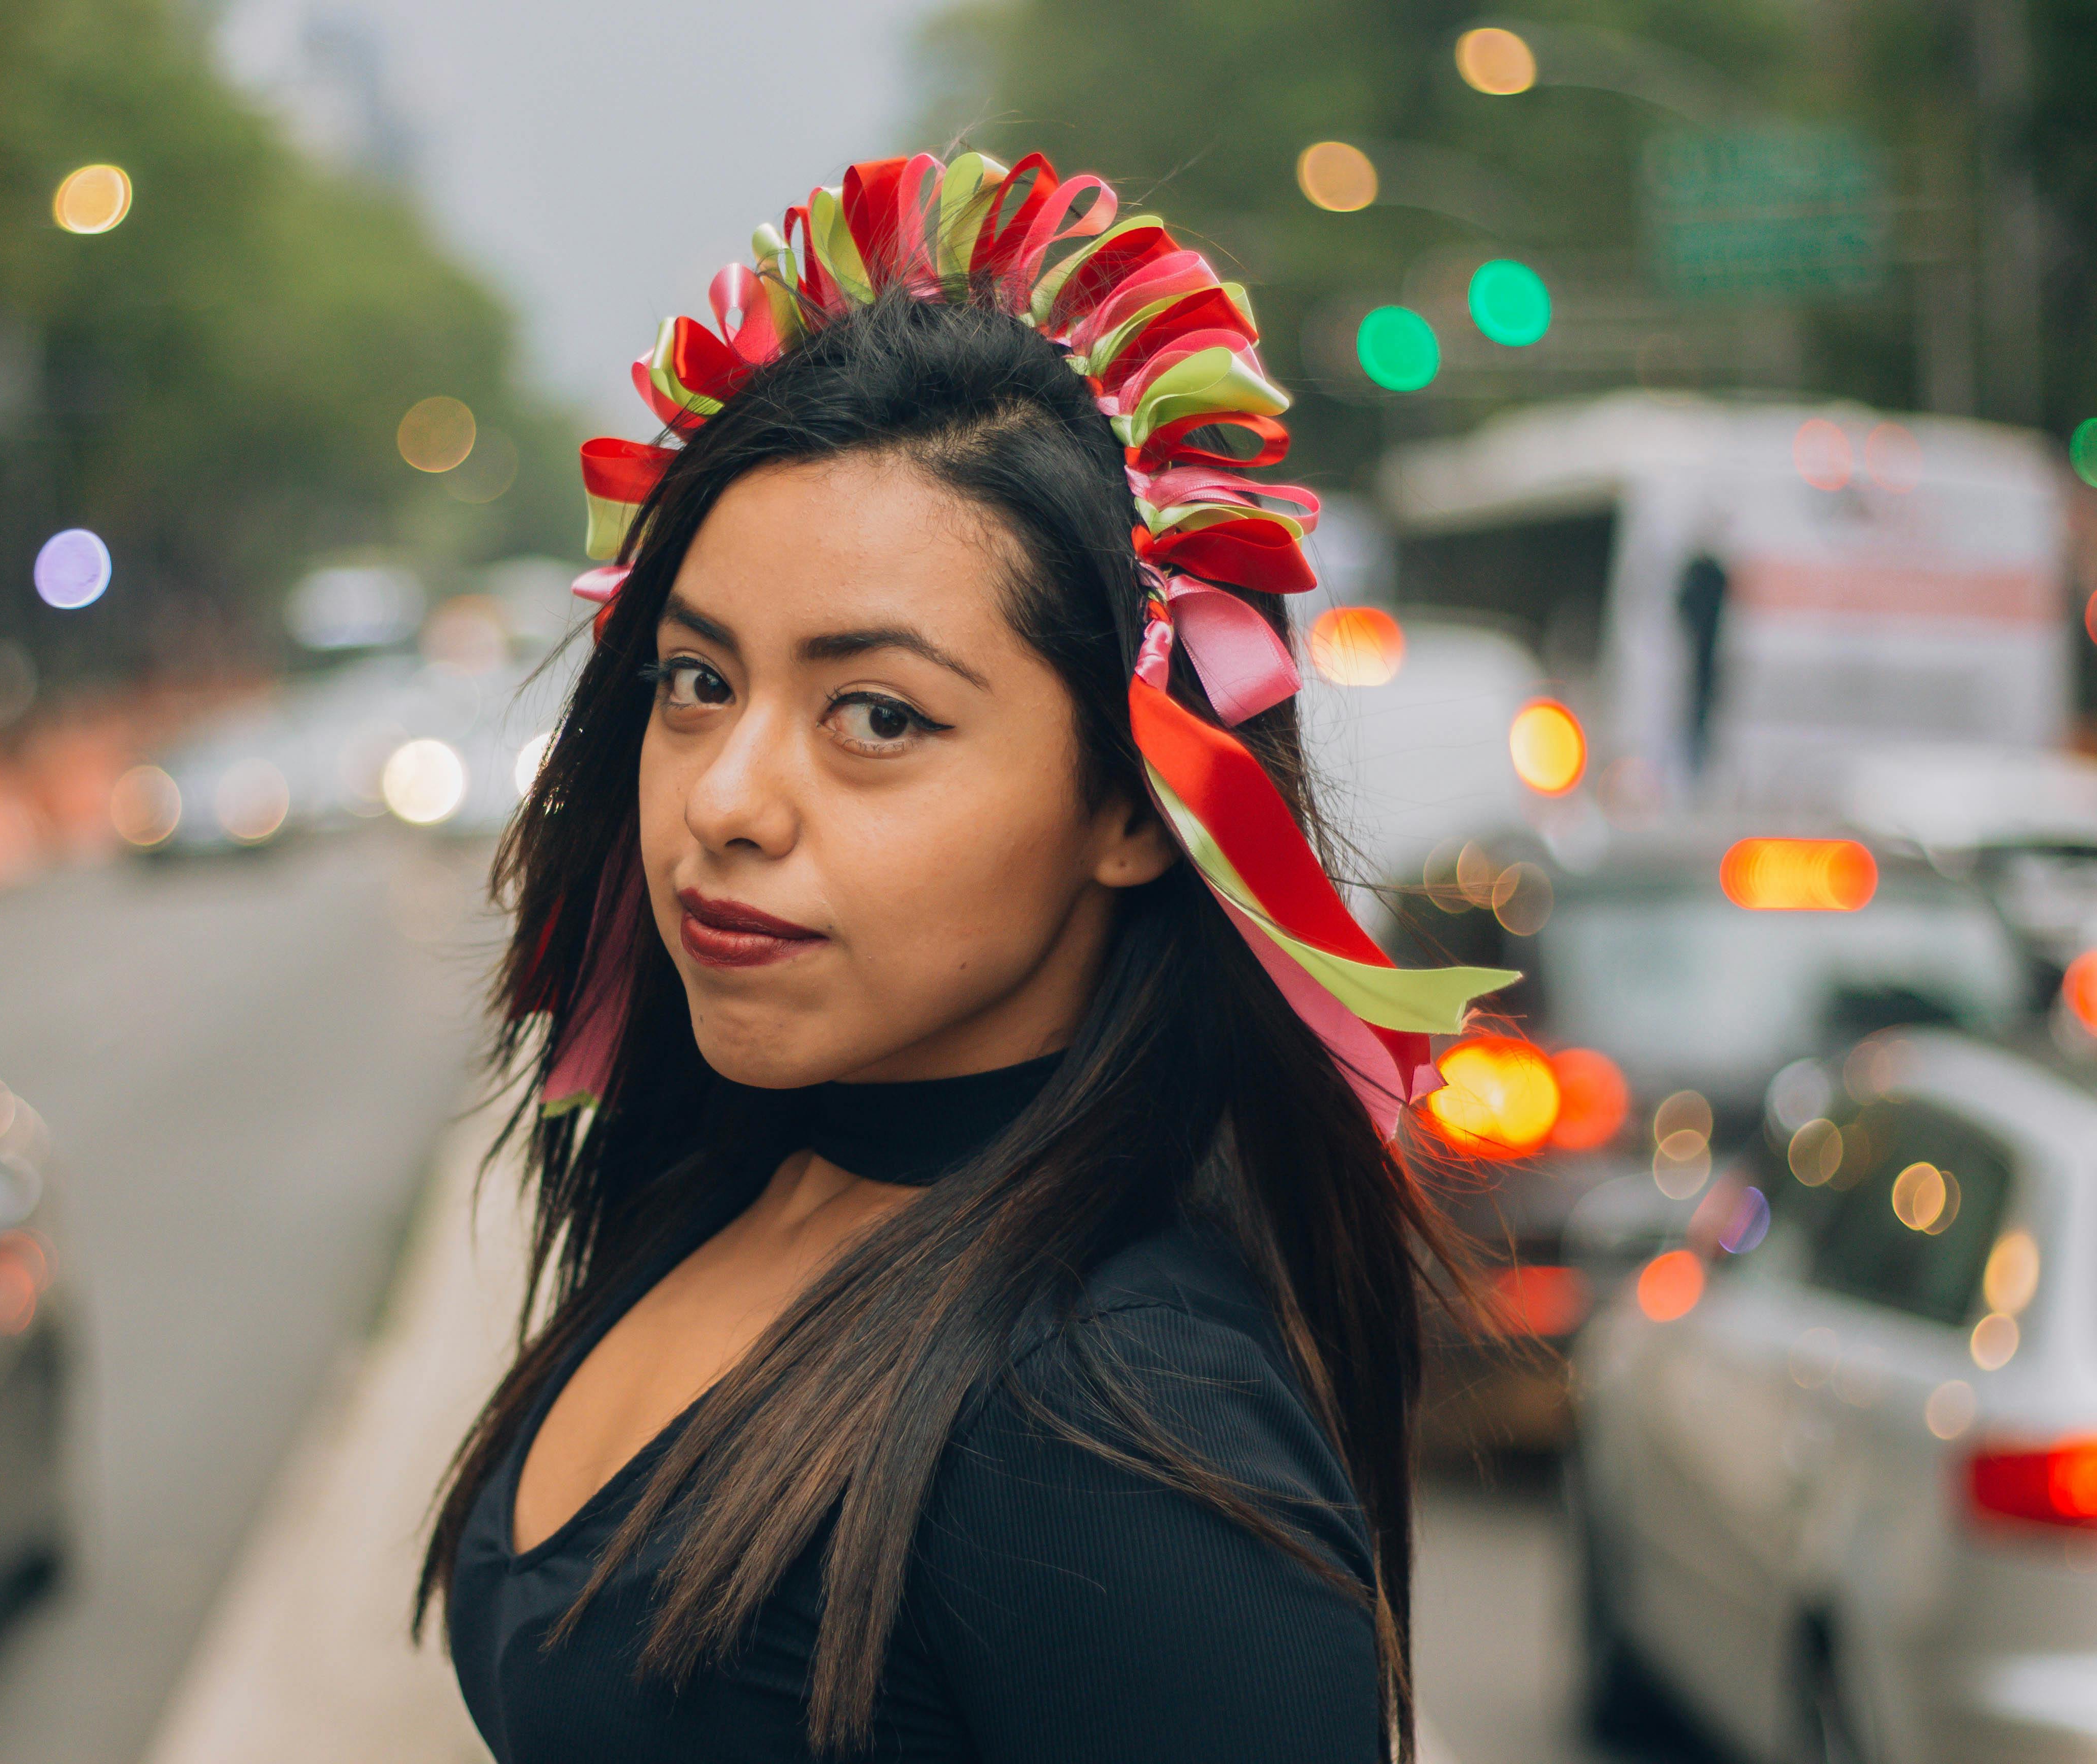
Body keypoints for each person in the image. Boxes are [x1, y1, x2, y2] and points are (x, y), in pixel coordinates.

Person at [418, 152, 1512, 1763]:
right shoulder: (731, 1171)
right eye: (696, 683)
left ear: (1133, 809)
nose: (723, 801)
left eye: (879, 717)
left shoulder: (1114, 1436)